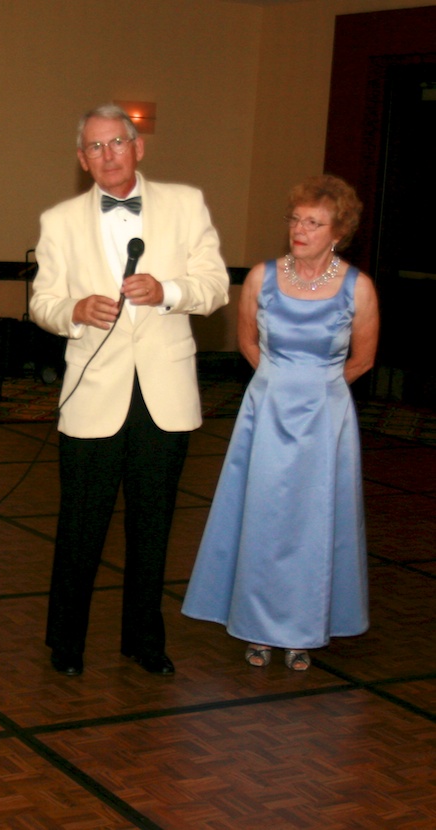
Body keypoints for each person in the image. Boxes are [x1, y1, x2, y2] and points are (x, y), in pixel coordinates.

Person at [30, 104, 230, 678]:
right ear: (81, 159)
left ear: (138, 147)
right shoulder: (59, 220)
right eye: (94, 147)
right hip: (93, 391)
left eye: (116, 143)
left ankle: (144, 638)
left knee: (153, 524)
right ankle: (65, 642)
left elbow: (215, 285)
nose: (107, 155)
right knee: (80, 527)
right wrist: (73, 309)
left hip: (165, 391)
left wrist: (165, 289)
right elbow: (41, 303)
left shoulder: (186, 203)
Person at [181, 175, 378, 671]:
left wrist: (319, 388)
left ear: (338, 231)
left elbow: (363, 360)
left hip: (325, 418)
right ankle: (256, 628)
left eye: (314, 222)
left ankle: (303, 632)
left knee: (314, 524)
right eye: (295, 219)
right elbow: (247, 343)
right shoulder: (262, 277)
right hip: (266, 412)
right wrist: (277, 383)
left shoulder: (359, 287)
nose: (300, 229)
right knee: (263, 518)